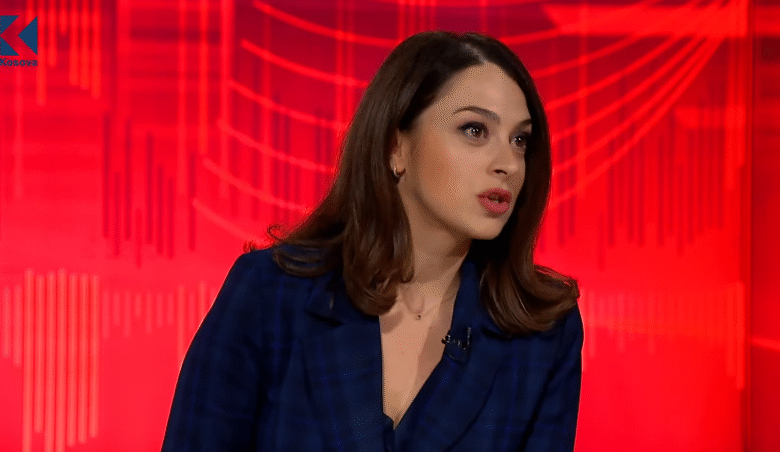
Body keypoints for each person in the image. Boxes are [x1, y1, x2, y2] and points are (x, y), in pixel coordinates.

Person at [160, 30, 583, 452]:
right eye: (475, 130)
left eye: (520, 140)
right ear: (395, 146)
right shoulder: (270, 295)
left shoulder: (543, 334)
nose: (509, 164)